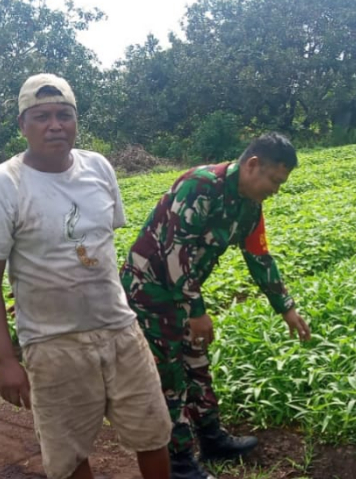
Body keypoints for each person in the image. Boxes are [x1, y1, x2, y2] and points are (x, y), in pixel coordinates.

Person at [0, 73, 171, 479]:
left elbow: (101, 253)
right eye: (41, 116)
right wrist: (5, 359)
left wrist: (133, 330)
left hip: (119, 331)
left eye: (65, 114)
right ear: (22, 125)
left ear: (76, 120)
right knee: (68, 453)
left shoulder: (98, 167)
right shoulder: (2, 185)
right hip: (53, 342)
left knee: (153, 433)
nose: (55, 125)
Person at [120, 132, 312, 479]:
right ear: (253, 165)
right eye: (274, 180)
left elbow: (259, 257)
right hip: (150, 291)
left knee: (198, 364)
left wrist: (286, 307)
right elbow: (173, 251)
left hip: (184, 292)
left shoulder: (250, 206)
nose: (276, 189)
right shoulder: (199, 186)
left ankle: (211, 439)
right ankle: (178, 462)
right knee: (171, 377)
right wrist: (196, 310)